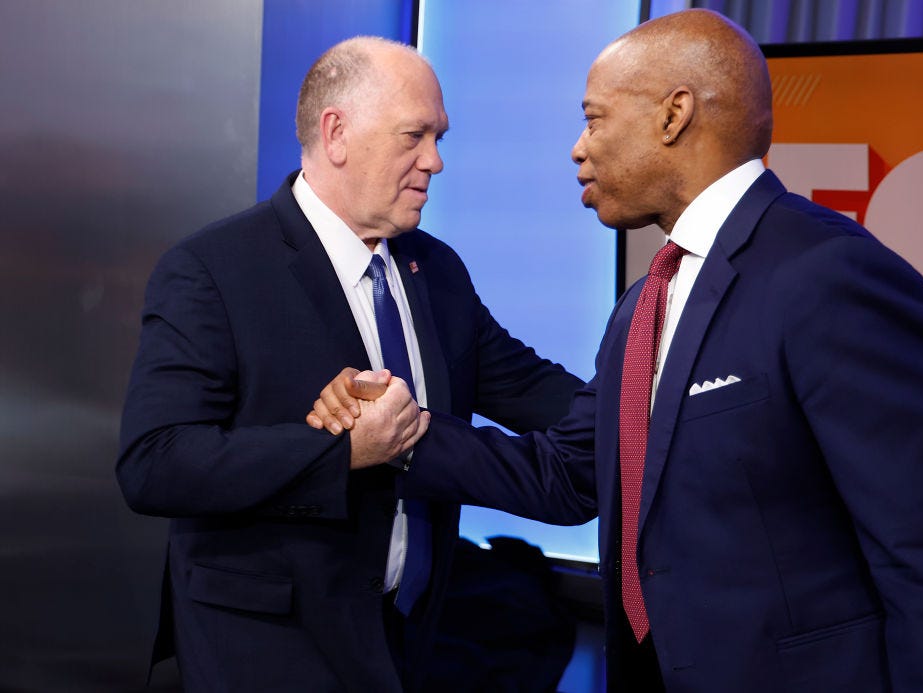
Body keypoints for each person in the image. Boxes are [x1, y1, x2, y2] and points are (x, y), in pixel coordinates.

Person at [312, 10, 923, 691]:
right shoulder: (645, 302)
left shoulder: (832, 277)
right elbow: (570, 472)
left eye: (594, 120)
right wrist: (403, 433)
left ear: (674, 116)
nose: (578, 148)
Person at [116, 36, 582, 692]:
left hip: (408, 640)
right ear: (336, 133)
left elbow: (531, 386)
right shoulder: (212, 269)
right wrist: (342, 454)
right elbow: (155, 463)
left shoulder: (437, 268)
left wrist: (658, 406)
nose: (435, 161)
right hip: (264, 651)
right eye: (414, 136)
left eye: (439, 137)